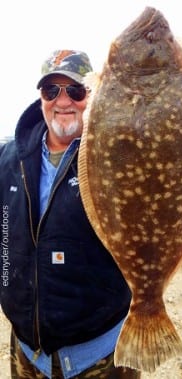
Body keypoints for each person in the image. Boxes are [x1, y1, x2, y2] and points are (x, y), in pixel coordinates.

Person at [0, 50, 141, 379]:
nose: (63, 101)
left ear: (91, 95)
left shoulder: (119, 158)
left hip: (101, 356)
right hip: (25, 352)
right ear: (41, 97)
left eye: (75, 91)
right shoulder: (8, 158)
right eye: (52, 91)